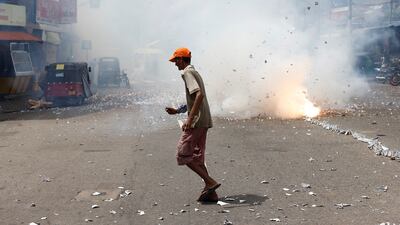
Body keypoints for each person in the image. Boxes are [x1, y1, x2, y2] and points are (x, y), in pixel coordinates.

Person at [165, 47, 221, 202]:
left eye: (176, 61)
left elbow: (199, 95)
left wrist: (189, 120)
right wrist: (178, 110)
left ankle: (210, 182)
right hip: (204, 121)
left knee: (182, 155)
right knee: (196, 157)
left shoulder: (187, 73)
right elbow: (194, 97)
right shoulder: (194, 72)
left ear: (182, 60)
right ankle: (211, 193)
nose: (175, 65)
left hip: (196, 122)